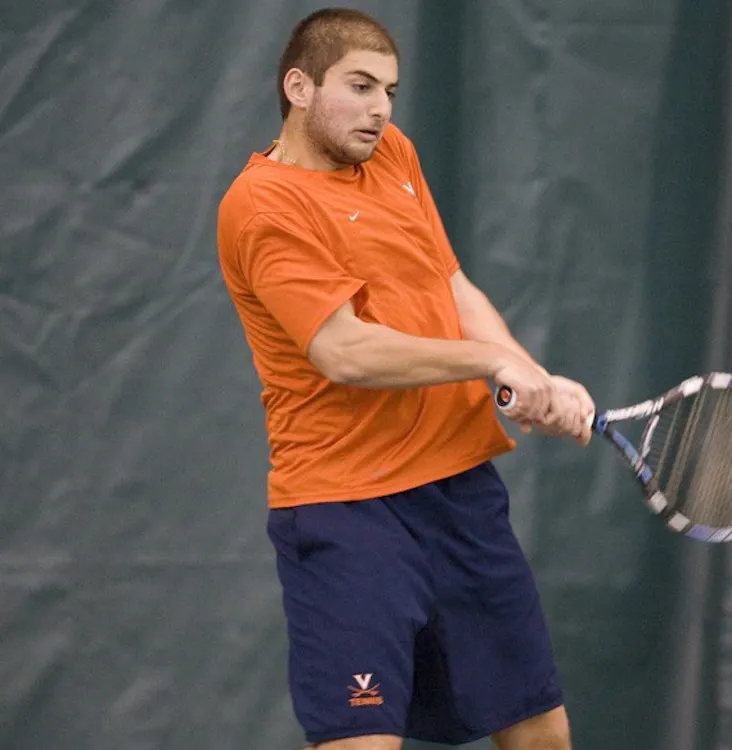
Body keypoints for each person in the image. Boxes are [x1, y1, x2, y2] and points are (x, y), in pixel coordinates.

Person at [217, 8, 594, 749]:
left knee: (541, 733)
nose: (380, 108)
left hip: (459, 493)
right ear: (299, 86)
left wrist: (527, 370)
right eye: (359, 86)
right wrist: (491, 362)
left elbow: (449, 284)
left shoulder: (393, 156)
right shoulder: (262, 206)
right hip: (344, 508)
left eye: (389, 90)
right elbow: (345, 352)